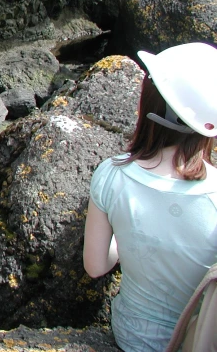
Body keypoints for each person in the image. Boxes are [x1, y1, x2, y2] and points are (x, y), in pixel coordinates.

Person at [83, 42, 217, 352]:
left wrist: (127, 238)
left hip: (132, 337)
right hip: (198, 342)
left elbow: (95, 266)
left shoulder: (111, 175)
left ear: (150, 106)